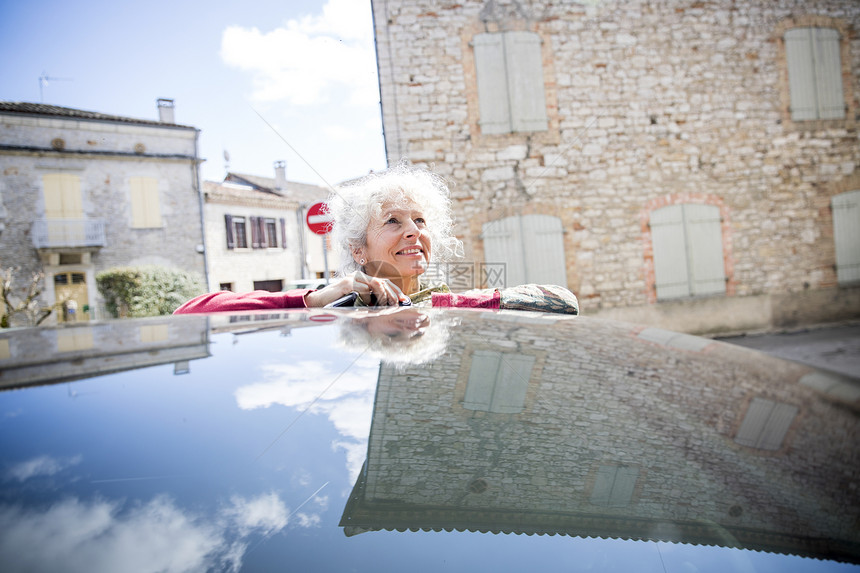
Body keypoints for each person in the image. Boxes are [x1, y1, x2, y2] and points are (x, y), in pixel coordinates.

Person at [174, 162, 578, 315]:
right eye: (392, 221)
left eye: (420, 220)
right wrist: (329, 294)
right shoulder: (327, 312)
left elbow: (564, 301)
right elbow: (193, 310)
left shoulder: (452, 306)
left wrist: (485, 298)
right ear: (357, 248)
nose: (413, 231)